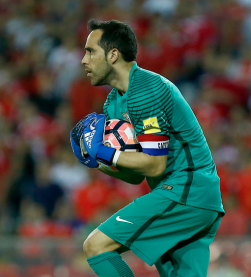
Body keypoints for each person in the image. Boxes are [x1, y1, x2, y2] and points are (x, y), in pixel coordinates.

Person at [70, 19, 224, 277]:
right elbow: (136, 175)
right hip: (193, 198)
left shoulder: (145, 89)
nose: (84, 60)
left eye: (90, 51)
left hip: (186, 193)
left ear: (113, 54)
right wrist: (97, 161)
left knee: (97, 246)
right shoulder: (113, 102)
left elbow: (155, 164)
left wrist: (104, 151)